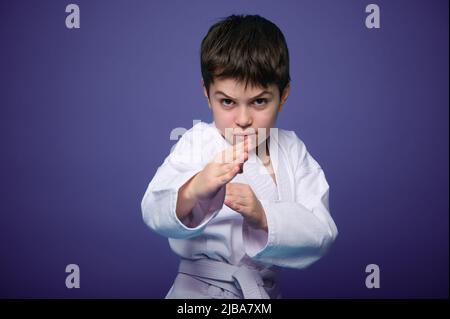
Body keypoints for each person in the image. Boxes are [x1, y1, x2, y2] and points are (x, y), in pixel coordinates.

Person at [141, 14, 338, 299]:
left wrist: (264, 216)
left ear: (283, 95)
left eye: (259, 101)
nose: (243, 119)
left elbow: (321, 232)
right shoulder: (197, 142)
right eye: (228, 102)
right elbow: (153, 208)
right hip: (198, 294)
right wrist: (195, 187)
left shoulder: (293, 149)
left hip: (260, 295)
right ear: (207, 94)